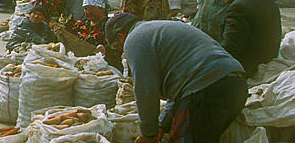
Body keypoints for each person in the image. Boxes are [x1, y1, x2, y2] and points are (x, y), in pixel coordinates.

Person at [105, 13, 247, 143]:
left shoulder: (134, 39)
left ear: (120, 36)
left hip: (208, 88)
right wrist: (162, 125)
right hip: (235, 83)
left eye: (118, 48)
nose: (122, 52)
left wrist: (148, 135)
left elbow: (146, 91)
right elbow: (178, 93)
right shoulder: (156, 29)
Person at [214, 0, 282, 77]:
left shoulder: (239, 7)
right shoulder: (267, 1)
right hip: (264, 66)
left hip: (246, 72)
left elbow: (230, 50)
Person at [50, 0, 121, 69]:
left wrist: (105, 49)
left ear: (102, 8)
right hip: (79, 62)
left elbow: (117, 47)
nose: (88, 12)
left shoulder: (109, 25)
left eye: (91, 8)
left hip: (101, 64)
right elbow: (70, 38)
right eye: (85, 9)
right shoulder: (81, 25)